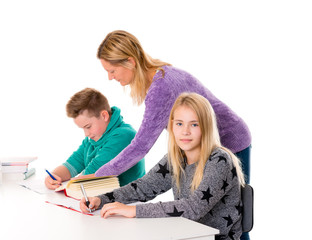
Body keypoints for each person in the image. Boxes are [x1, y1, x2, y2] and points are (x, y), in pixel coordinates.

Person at [81, 93, 246, 240]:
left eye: (194, 124)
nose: (185, 131)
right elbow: (142, 188)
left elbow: (194, 208)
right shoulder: (176, 158)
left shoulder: (220, 160)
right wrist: (102, 199)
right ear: (172, 126)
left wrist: (134, 211)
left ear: (206, 127)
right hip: (188, 234)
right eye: (179, 124)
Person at [95, 30, 251, 184]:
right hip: (210, 146)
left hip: (230, 144)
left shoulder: (160, 89)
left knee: (231, 206)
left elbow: (141, 146)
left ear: (130, 62)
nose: (110, 77)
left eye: (112, 71)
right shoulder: (162, 73)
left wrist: (98, 176)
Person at [44, 88, 145, 189]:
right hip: (105, 198)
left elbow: (94, 173)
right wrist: (54, 176)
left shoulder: (123, 135)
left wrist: (71, 185)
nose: (86, 133)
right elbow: (73, 163)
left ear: (104, 116)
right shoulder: (93, 138)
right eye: (83, 128)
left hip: (129, 200)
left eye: (88, 127)